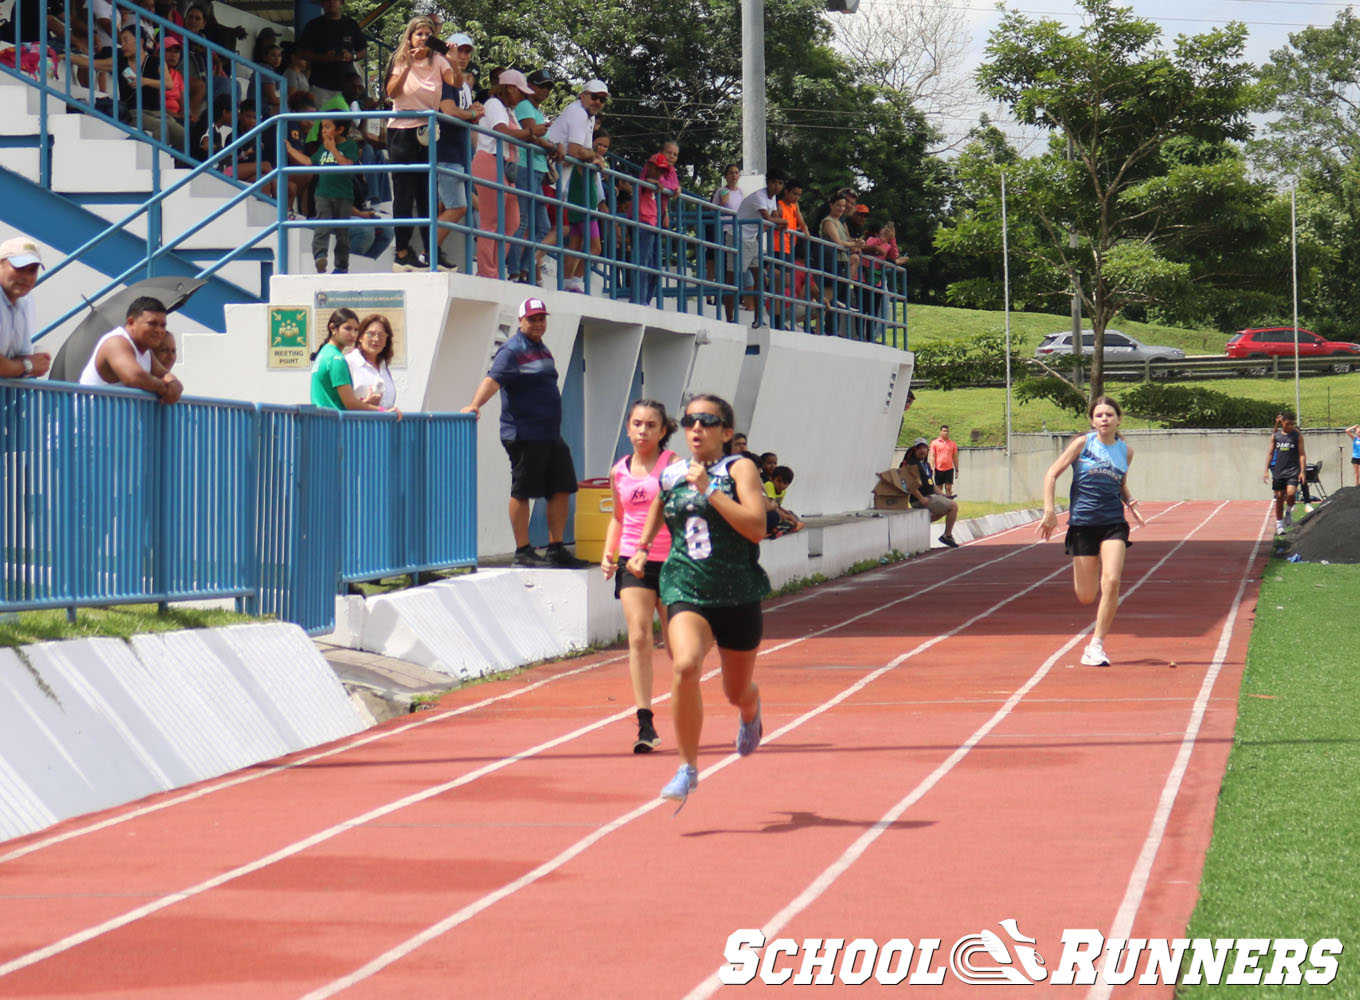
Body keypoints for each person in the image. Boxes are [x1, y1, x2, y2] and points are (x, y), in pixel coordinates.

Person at [627, 394, 770, 809]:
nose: (696, 428)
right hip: (686, 586)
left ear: (726, 433)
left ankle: (751, 708)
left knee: (735, 690)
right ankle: (687, 766)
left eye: (707, 421)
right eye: (689, 420)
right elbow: (658, 502)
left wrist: (709, 490)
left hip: (738, 592)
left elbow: (756, 527)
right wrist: (642, 545)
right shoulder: (672, 472)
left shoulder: (739, 468)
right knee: (686, 663)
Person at [461, 297, 588, 568]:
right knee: (523, 491)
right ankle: (523, 551)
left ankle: (555, 548)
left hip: (550, 433)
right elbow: (493, 381)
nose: (538, 323)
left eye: (542, 318)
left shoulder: (542, 349)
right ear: (521, 321)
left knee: (562, 487)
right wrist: (474, 405)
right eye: (532, 319)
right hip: (524, 433)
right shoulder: (512, 350)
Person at [1038, 395, 1147, 667]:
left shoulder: (1126, 451)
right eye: (1099, 415)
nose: (1104, 419)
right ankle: (1089, 580)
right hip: (1083, 523)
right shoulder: (1082, 444)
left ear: (1118, 419)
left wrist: (1130, 502)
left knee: (1111, 582)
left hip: (1113, 523)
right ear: (1092, 420)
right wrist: (1049, 510)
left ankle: (1096, 644)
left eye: (1109, 414)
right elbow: (1051, 474)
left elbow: (1119, 483)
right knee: (1087, 595)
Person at [601, 399, 678, 754]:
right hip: (633, 561)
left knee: (679, 649)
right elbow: (618, 517)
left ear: (663, 431)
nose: (642, 431)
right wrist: (609, 552)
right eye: (637, 424)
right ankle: (645, 720)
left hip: (674, 561)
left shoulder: (674, 465)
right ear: (628, 428)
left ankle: (688, 704)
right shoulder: (619, 471)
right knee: (639, 636)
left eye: (650, 425)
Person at [385, 15, 453, 272]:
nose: (424, 39)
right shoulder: (400, 59)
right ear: (410, 37)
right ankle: (402, 251)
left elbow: (455, 82)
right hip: (402, 131)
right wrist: (409, 64)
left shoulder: (438, 60)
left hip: (427, 132)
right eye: (419, 34)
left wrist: (453, 58)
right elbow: (391, 92)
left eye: (428, 34)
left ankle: (430, 250)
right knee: (404, 194)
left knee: (427, 196)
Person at [472, 69, 541, 279]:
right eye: (520, 92)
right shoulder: (494, 104)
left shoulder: (508, 109)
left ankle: (495, 268)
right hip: (490, 161)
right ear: (510, 88)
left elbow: (515, 134)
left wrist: (536, 135)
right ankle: (488, 271)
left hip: (504, 166)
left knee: (512, 222)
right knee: (491, 222)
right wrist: (531, 133)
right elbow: (502, 131)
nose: (523, 97)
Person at [545, 80, 608, 292]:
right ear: (583, 95)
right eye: (594, 96)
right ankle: (533, 263)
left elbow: (583, 152)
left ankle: (568, 279)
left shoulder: (586, 117)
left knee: (573, 238)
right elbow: (576, 151)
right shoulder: (579, 113)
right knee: (545, 228)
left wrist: (592, 157)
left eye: (602, 99)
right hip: (553, 176)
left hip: (561, 180)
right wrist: (595, 158)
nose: (598, 101)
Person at [434, 32, 482, 270]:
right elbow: (449, 111)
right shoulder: (445, 79)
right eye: (458, 50)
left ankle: (432, 252)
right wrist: (473, 114)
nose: (462, 56)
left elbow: (461, 113)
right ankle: (427, 252)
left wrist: (473, 112)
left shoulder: (462, 83)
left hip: (459, 154)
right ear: (447, 52)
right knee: (458, 207)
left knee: (446, 207)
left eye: (466, 51)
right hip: (446, 152)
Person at [507, 68, 559, 284]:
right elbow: (532, 135)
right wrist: (551, 146)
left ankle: (525, 267)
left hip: (536, 169)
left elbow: (539, 136)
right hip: (526, 166)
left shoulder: (536, 110)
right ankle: (515, 270)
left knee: (543, 226)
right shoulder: (525, 106)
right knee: (524, 221)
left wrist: (550, 145)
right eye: (541, 86)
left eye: (547, 87)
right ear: (530, 87)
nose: (545, 90)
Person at [77, 296, 183, 403]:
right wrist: (163, 388)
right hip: (89, 418)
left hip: (114, 418)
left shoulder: (146, 351)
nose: (159, 330)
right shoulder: (117, 342)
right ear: (131, 322)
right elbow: (135, 377)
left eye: (163, 325)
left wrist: (175, 384)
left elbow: (165, 375)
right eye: (152, 324)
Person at [310, 118, 359, 273]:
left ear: (339, 129)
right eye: (322, 127)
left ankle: (341, 265)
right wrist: (290, 150)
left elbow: (347, 165)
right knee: (322, 225)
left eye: (327, 127)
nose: (323, 131)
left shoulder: (350, 145)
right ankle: (320, 256)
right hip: (323, 193)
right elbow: (310, 163)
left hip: (343, 195)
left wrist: (332, 149)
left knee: (342, 233)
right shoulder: (321, 149)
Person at [0, 237, 52, 380]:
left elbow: (20, 357)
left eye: (32, 271)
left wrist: (35, 363)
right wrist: (28, 365)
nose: (25, 277)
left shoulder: (22, 303)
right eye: (19, 268)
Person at [309, 306, 380, 411]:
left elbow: (335, 400)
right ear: (333, 328)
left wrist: (365, 403)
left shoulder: (324, 354)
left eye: (356, 330)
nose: (353, 334)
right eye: (348, 328)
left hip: (320, 422)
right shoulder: (336, 359)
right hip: (334, 424)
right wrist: (382, 410)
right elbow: (350, 404)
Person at [296, 0, 366, 105]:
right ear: (322, 3)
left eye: (334, 0)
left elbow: (363, 50)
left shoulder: (351, 24)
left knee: (349, 121)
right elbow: (301, 52)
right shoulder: (313, 25)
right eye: (327, 0)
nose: (331, 3)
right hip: (320, 87)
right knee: (321, 121)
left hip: (347, 88)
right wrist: (322, 57)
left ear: (341, 2)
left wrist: (352, 56)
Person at [735, 171, 786, 315]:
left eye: (780, 183)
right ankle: (730, 314)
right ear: (767, 183)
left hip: (752, 238)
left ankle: (758, 317)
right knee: (735, 275)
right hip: (740, 236)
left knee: (759, 277)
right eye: (774, 182)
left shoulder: (772, 198)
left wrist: (779, 222)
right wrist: (783, 222)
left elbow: (774, 217)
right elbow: (768, 218)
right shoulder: (759, 196)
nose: (777, 186)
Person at [900, 437, 958, 547]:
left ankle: (919, 525)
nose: (922, 451)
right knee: (953, 507)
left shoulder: (925, 464)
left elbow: (932, 484)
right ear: (914, 450)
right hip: (921, 499)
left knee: (945, 510)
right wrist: (921, 498)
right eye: (919, 448)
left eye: (924, 448)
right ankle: (947, 535)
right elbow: (909, 483)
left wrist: (944, 495)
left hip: (929, 497)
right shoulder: (912, 464)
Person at [346, 313, 399, 412]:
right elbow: (342, 405)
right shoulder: (349, 362)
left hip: (384, 425)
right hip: (357, 425)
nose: (376, 339)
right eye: (371, 334)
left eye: (381, 335)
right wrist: (366, 404)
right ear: (360, 337)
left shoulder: (383, 366)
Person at [1265, 411, 1306, 535]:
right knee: (1279, 498)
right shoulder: (1276, 436)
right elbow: (1270, 453)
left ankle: (1288, 511)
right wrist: (1266, 470)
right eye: (1287, 424)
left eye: (1292, 424)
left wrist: (1302, 471)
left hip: (1293, 470)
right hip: (1279, 471)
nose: (1290, 426)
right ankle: (1279, 524)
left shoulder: (1297, 436)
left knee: (1291, 493)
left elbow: (1302, 454)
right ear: (1282, 422)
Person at [763, 465, 804, 537]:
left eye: (785, 483)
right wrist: (785, 516)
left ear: (788, 484)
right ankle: (779, 528)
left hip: (774, 510)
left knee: (792, 514)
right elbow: (771, 505)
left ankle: (783, 527)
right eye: (778, 481)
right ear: (772, 479)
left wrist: (789, 514)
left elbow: (778, 506)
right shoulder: (769, 485)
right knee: (778, 516)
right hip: (766, 513)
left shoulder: (783, 492)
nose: (781, 485)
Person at [929, 424, 959, 498]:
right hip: (938, 469)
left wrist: (957, 469)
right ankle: (940, 504)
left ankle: (949, 503)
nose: (946, 432)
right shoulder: (934, 443)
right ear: (940, 432)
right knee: (939, 488)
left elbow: (955, 457)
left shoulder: (952, 444)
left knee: (949, 488)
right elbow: (932, 456)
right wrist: (932, 467)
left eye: (947, 431)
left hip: (949, 469)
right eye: (944, 431)